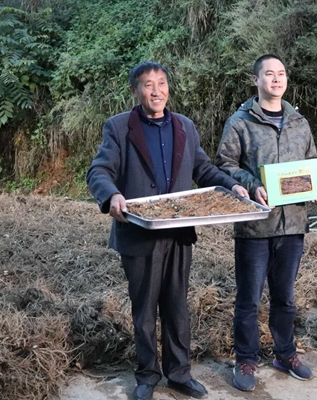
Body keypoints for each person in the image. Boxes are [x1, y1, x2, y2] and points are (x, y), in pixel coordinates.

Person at [87, 61, 249, 400]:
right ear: (136, 90)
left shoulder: (184, 126)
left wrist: (231, 186)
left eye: (161, 83)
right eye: (148, 84)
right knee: (145, 310)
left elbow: (203, 169)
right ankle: (147, 375)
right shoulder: (119, 127)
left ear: (168, 88)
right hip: (139, 232)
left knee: (177, 306)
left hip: (178, 232)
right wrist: (112, 195)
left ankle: (179, 373)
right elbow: (99, 171)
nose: (156, 90)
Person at [215, 54, 317, 391]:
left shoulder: (299, 122)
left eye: (281, 73)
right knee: (249, 299)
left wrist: (315, 186)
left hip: (293, 224)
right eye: (269, 74)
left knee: (285, 298)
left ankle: (285, 353)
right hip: (255, 225)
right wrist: (252, 183)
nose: (276, 79)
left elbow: (311, 162)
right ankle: (246, 358)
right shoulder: (240, 122)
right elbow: (225, 164)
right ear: (256, 80)